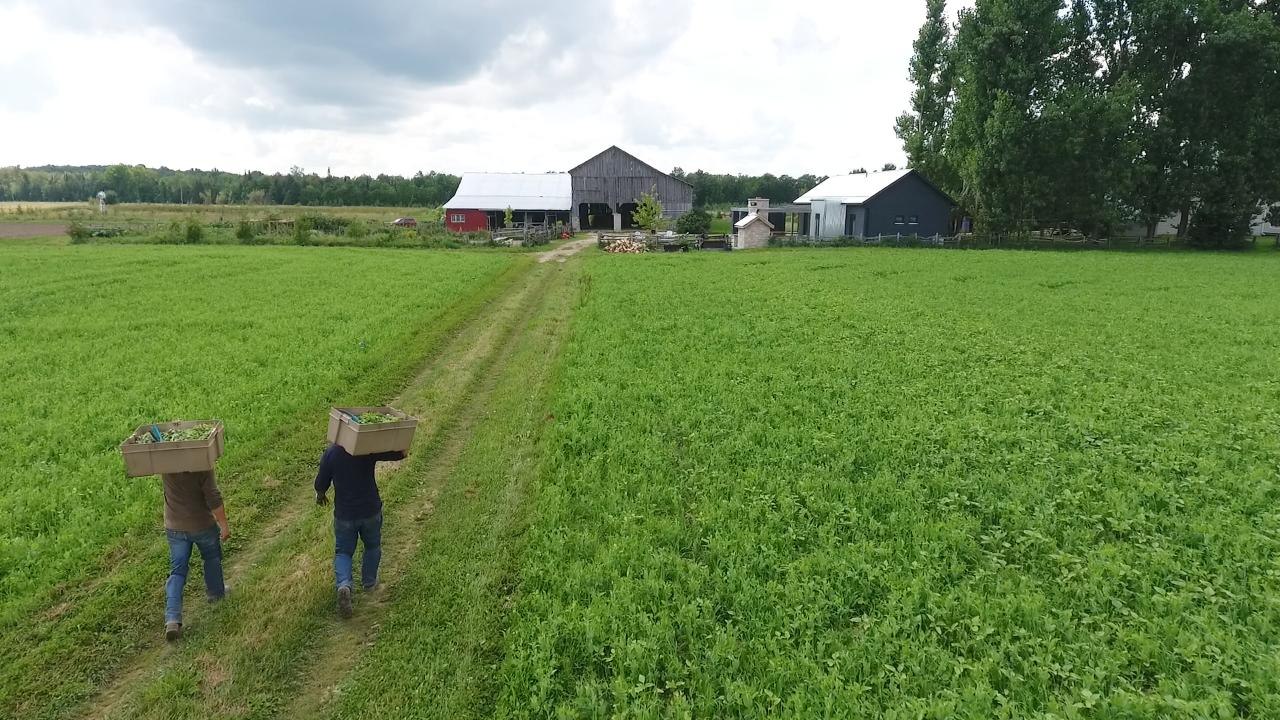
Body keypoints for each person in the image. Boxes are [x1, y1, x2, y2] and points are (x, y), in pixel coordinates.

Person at [314, 444, 407, 618]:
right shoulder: (364, 447)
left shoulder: (331, 453)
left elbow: (321, 483)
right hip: (370, 510)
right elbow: (393, 454)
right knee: (372, 546)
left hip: (345, 515)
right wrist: (402, 451)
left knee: (343, 552)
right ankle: (370, 584)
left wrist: (320, 495)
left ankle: (344, 585)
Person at [161, 469, 230, 641]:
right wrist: (223, 525)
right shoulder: (201, 462)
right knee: (211, 557)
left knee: (177, 571)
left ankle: (172, 619)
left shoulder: (165, 462)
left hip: (174, 527)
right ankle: (216, 593)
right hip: (202, 525)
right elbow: (213, 496)